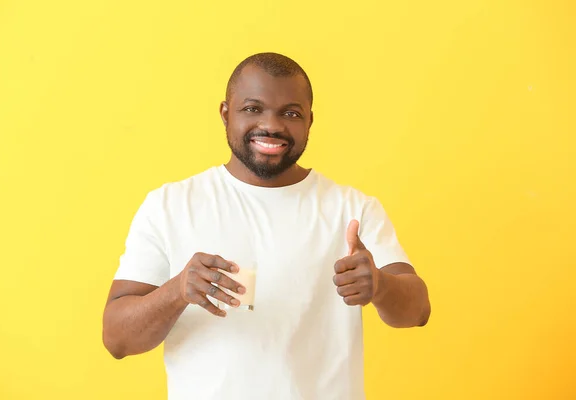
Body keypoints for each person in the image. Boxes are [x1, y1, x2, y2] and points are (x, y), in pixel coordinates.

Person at [102, 52, 431, 400]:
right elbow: (117, 339)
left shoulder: (353, 210)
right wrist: (178, 290)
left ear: (310, 121)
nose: (272, 125)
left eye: (290, 113)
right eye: (253, 108)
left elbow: (418, 311)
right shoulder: (169, 206)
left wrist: (380, 285)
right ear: (226, 114)